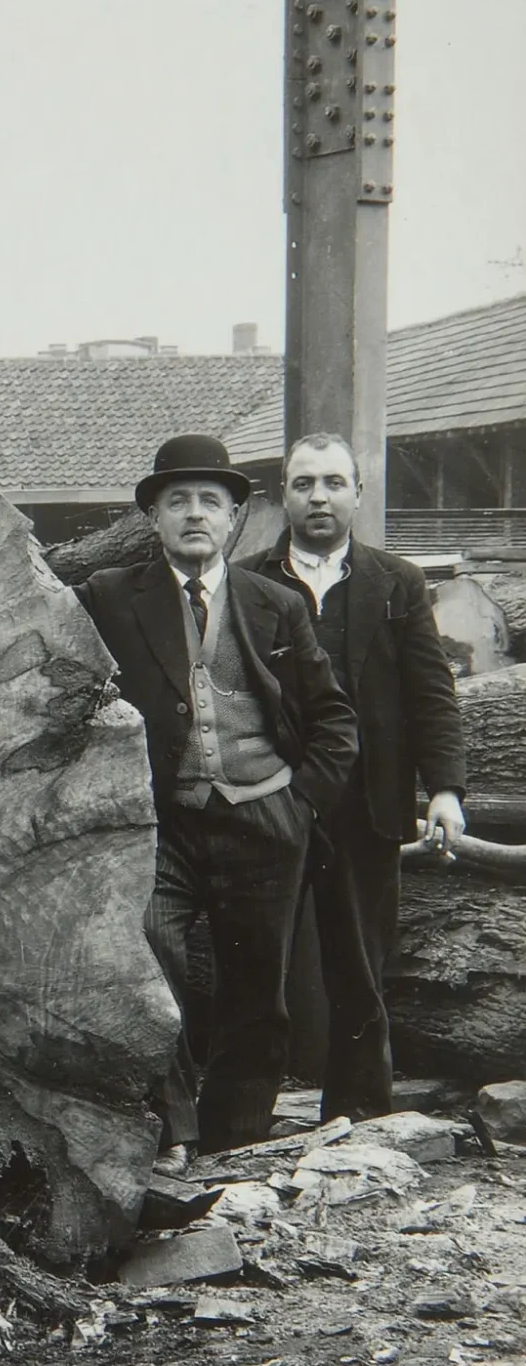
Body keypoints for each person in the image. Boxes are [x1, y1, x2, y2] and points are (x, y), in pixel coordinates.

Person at [78, 434, 359, 1163]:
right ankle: (172, 1129)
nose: (195, 514)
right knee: (148, 963)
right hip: (157, 822)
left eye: (211, 501)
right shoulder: (110, 595)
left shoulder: (276, 603)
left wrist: (299, 803)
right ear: (154, 518)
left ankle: (234, 1141)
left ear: (234, 517)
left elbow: (332, 718)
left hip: (264, 816)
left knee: (257, 990)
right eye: (178, 502)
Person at [257, 430, 466, 1123]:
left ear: (357, 492)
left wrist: (444, 790)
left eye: (333, 483)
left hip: (368, 805)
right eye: (303, 484)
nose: (318, 497)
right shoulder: (249, 581)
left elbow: (430, 693)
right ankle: (243, 1129)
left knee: (359, 970)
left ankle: (360, 1125)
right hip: (272, 804)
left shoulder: (396, 582)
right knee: (257, 973)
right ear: (283, 496)